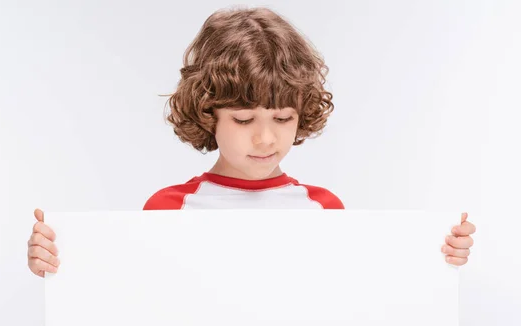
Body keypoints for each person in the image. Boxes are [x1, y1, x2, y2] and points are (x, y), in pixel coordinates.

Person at [27, 6, 476, 278]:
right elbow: (127, 299)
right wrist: (60, 261)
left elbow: (361, 299)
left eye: (283, 117)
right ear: (208, 114)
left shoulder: (326, 210)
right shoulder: (167, 209)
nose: (265, 137)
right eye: (244, 118)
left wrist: (436, 260)